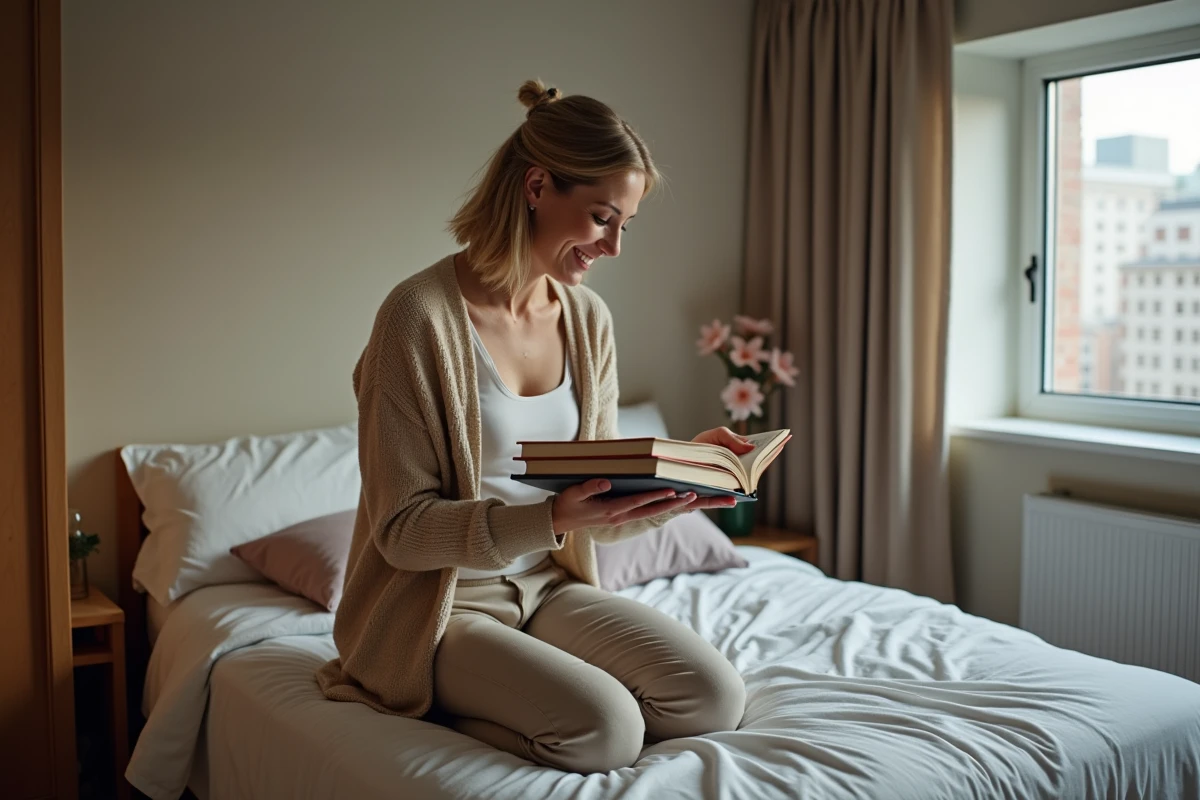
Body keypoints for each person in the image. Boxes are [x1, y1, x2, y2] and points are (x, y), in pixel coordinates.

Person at [317, 80, 747, 774]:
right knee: (607, 730)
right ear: (539, 186)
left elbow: (594, 514)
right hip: (442, 605)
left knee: (713, 698)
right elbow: (399, 531)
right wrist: (548, 516)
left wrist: (676, 480)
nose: (612, 247)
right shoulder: (417, 318)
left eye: (624, 225)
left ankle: (517, 684)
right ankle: (439, 697)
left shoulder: (586, 321)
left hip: (548, 585)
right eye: (603, 217)